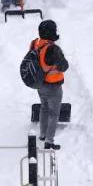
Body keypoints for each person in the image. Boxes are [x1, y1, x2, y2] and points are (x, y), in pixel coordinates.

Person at [30, 19, 68, 150]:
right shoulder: (53, 49)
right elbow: (64, 66)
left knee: (44, 107)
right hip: (53, 86)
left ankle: (42, 134)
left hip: (40, 84)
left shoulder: (35, 43)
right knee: (53, 113)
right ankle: (49, 141)